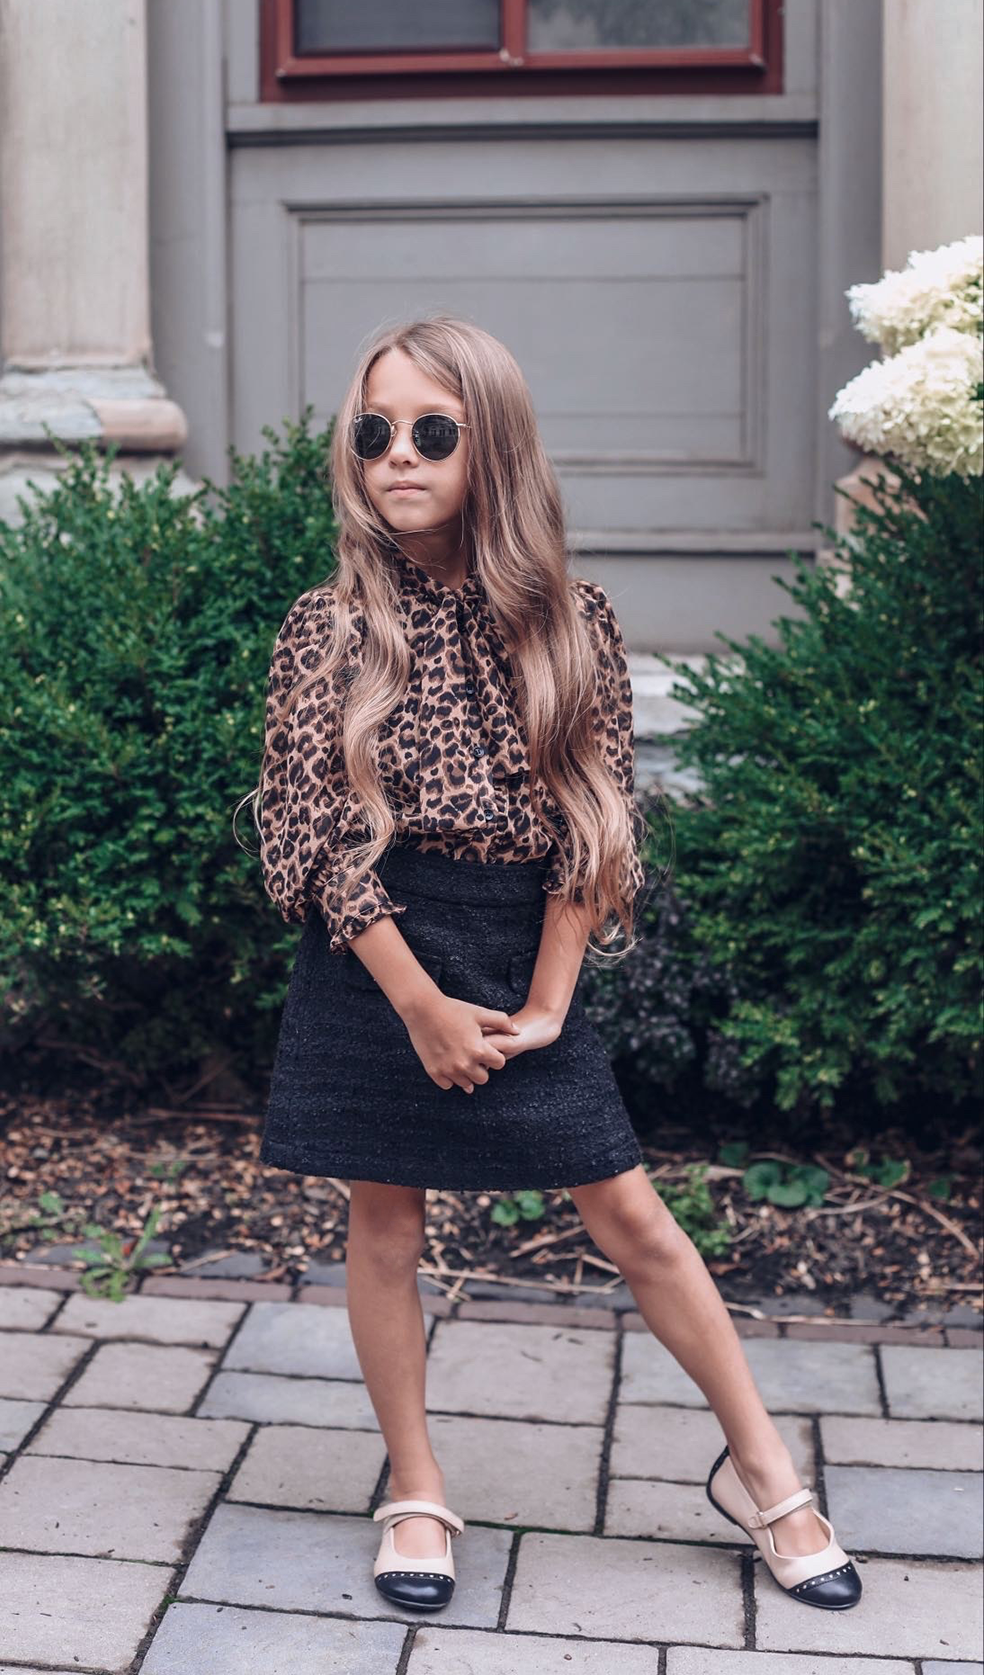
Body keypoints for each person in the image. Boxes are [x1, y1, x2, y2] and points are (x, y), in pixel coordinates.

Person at [247, 315, 862, 1616]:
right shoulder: (328, 626)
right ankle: (417, 1484)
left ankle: (763, 1470)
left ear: (496, 448)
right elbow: (305, 828)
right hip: (378, 947)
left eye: (432, 431)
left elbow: (595, 817)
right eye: (373, 431)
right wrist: (417, 1002)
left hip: (521, 938)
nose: (397, 455)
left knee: (631, 1217)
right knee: (385, 1221)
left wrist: (547, 999)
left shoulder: (575, 623)